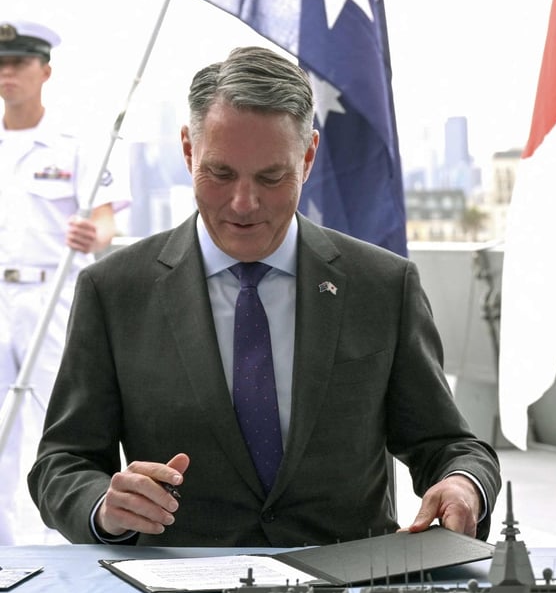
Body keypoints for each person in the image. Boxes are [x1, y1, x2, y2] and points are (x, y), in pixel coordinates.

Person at [28, 45, 501, 547]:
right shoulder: (114, 290)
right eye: (221, 173)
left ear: (309, 156)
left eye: (272, 177)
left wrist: (462, 485)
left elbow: (448, 444)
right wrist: (106, 507)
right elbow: (63, 462)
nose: (243, 203)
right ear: (188, 150)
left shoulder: (382, 285)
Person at [0, 19, 129, 545]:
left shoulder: (75, 143)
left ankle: (50, 546)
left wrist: (90, 232)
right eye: (0, 64)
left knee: (53, 425)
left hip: (48, 296)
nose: (6, 73)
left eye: (18, 63)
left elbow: (104, 222)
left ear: (44, 71)